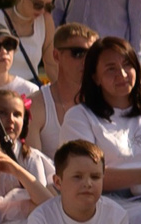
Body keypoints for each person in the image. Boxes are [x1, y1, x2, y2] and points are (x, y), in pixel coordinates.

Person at [55, 35, 141, 199]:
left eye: (127, 65)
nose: (122, 74)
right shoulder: (79, 118)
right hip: (105, 206)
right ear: (95, 77)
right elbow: (84, 175)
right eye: (111, 68)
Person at [28, 24, 97, 154]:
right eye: (78, 53)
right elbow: (33, 165)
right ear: (56, 55)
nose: (86, 61)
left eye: (92, 54)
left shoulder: (104, 103)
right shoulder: (37, 105)